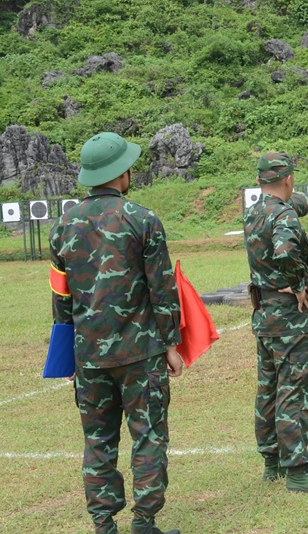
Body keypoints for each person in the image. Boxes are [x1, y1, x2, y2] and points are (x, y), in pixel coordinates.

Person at [49, 132, 184, 534]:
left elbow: (61, 300)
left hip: (88, 357)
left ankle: (104, 526)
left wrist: (66, 355)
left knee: (98, 442)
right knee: (148, 437)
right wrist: (172, 345)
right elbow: (162, 289)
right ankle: (144, 523)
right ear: (122, 173)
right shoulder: (142, 219)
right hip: (139, 355)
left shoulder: (62, 227)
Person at [243, 151, 308, 492]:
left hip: (265, 316)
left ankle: (272, 461)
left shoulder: (255, 212)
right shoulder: (283, 218)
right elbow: (286, 250)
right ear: (288, 179)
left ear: (259, 181)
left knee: (269, 388)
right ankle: (297, 468)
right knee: (296, 389)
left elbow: (289, 206)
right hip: (291, 317)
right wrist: (299, 285)